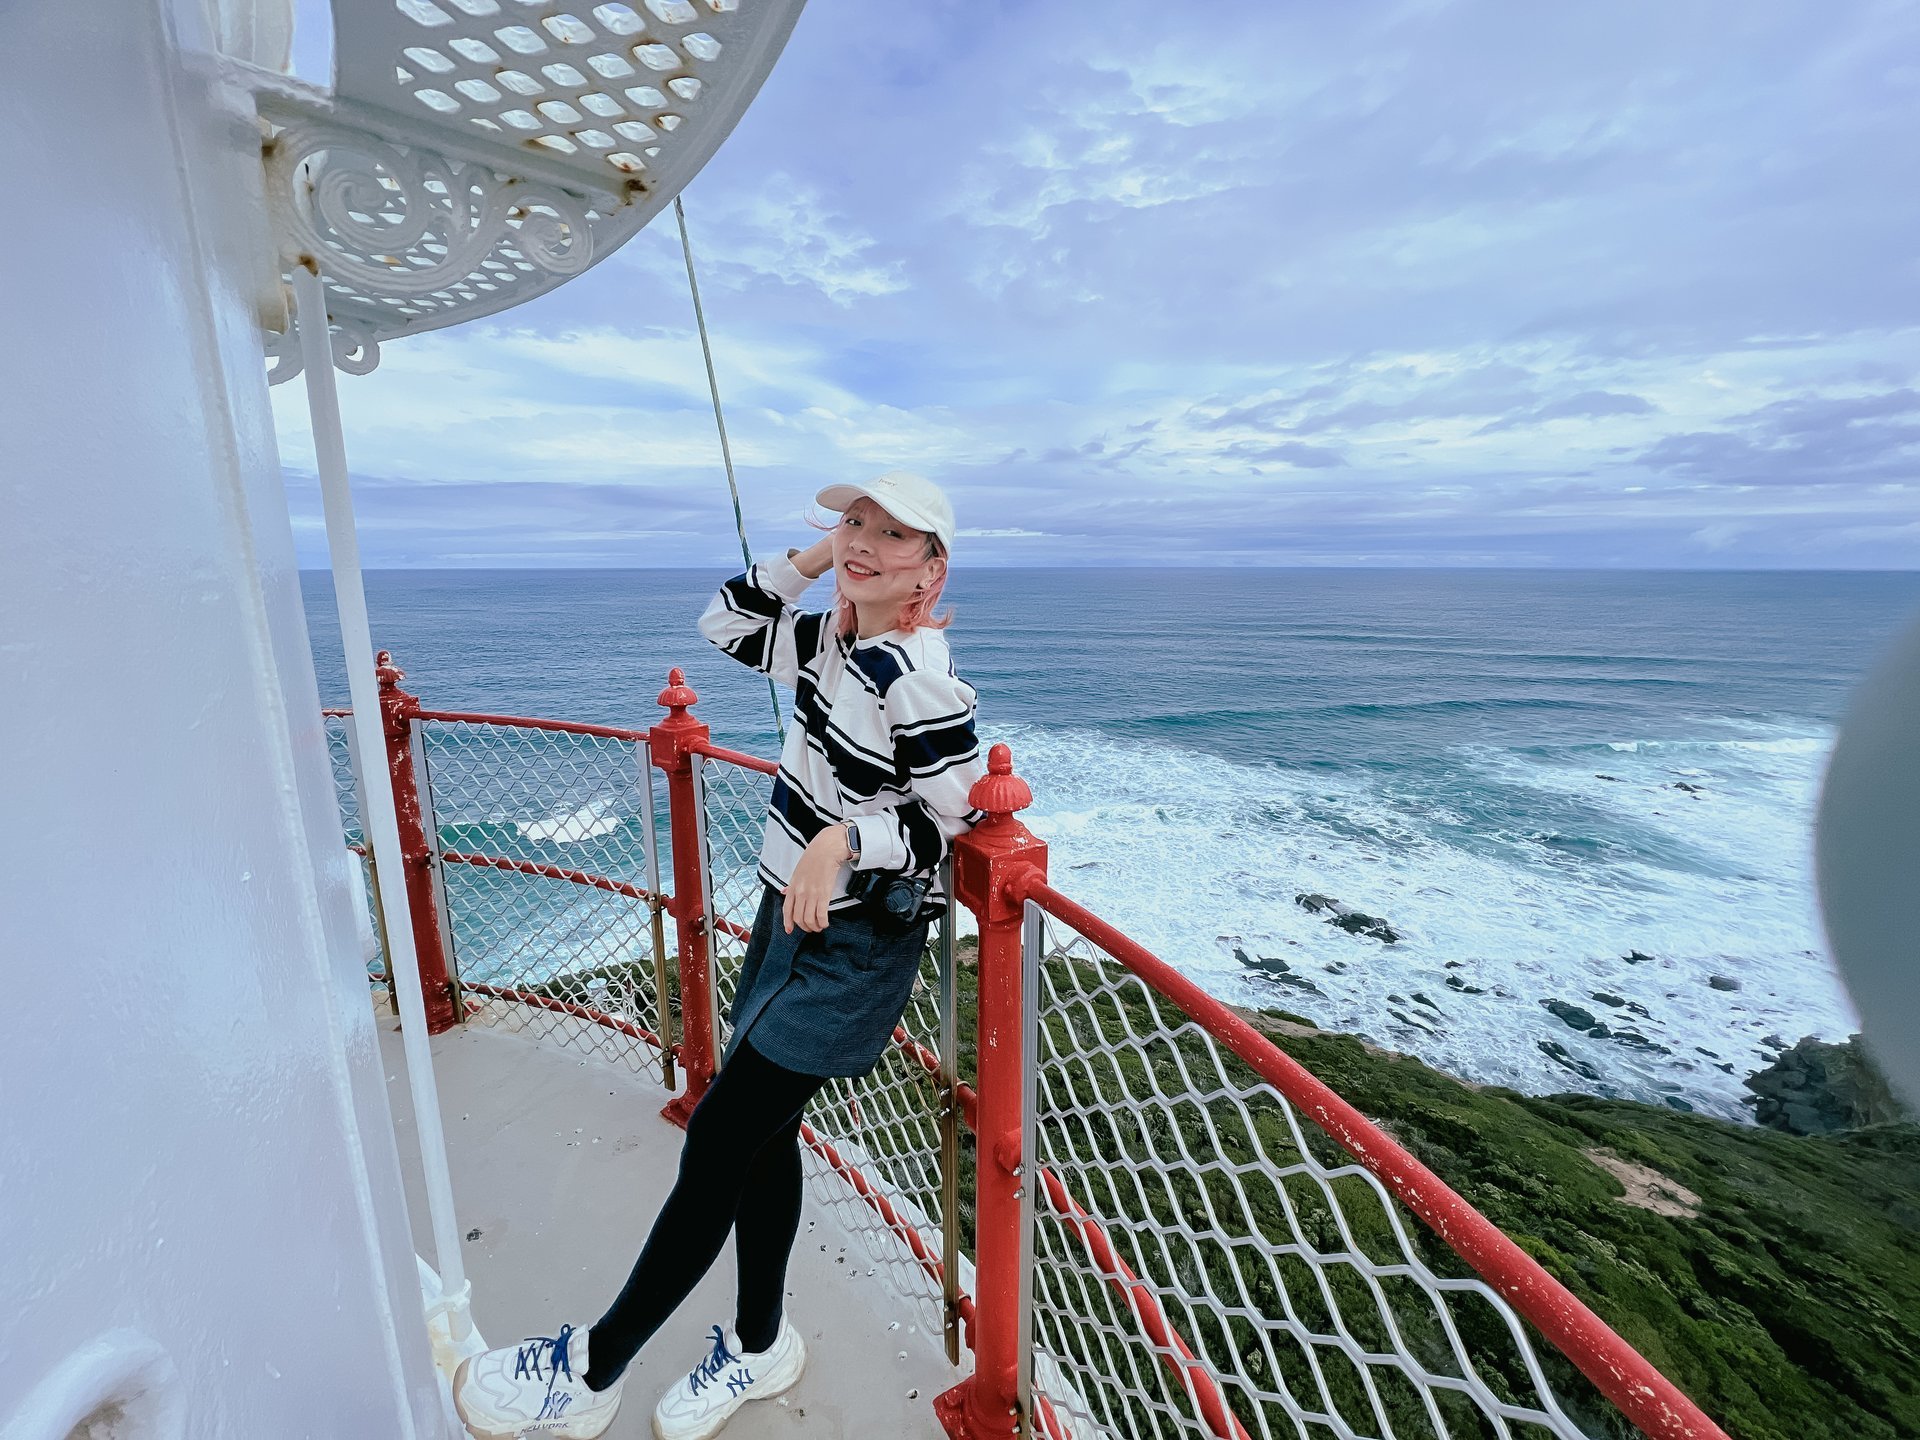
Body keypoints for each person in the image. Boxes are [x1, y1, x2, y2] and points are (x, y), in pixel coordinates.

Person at [453, 471, 986, 1440]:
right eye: (854, 521)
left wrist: (843, 842)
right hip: (790, 919)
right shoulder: (835, 639)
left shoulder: (919, 681)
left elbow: (949, 827)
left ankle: (592, 1370)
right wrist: (826, 560)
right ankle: (756, 1343)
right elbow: (725, 624)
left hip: (851, 948)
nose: (863, 539)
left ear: (932, 567)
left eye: (891, 533)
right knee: (761, 1136)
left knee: (716, 1140)